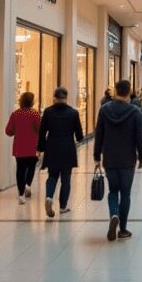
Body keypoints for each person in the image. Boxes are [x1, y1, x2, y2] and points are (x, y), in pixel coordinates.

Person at [94, 78, 142, 241]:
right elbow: (140, 137)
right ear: (129, 92)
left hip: (110, 158)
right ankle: (122, 228)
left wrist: (97, 156)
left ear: (115, 91)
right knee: (126, 193)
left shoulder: (104, 110)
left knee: (113, 191)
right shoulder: (135, 112)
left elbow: (99, 135)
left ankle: (113, 214)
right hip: (127, 159)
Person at [37, 87, 83, 218]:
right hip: (67, 147)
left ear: (54, 97)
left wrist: (40, 148)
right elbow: (79, 135)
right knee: (66, 179)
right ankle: (63, 206)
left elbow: (42, 132)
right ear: (66, 97)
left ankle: (49, 196)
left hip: (52, 146)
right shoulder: (73, 113)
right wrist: (78, 138)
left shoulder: (48, 112)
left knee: (52, 176)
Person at [5, 92, 41, 205]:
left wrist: (17, 130)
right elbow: (40, 129)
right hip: (32, 147)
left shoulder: (16, 114)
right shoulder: (35, 114)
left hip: (19, 148)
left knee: (20, 170)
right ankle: (28, 185)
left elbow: (8, 131)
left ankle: (21, 195)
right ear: (31, 102)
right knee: (31, 168)